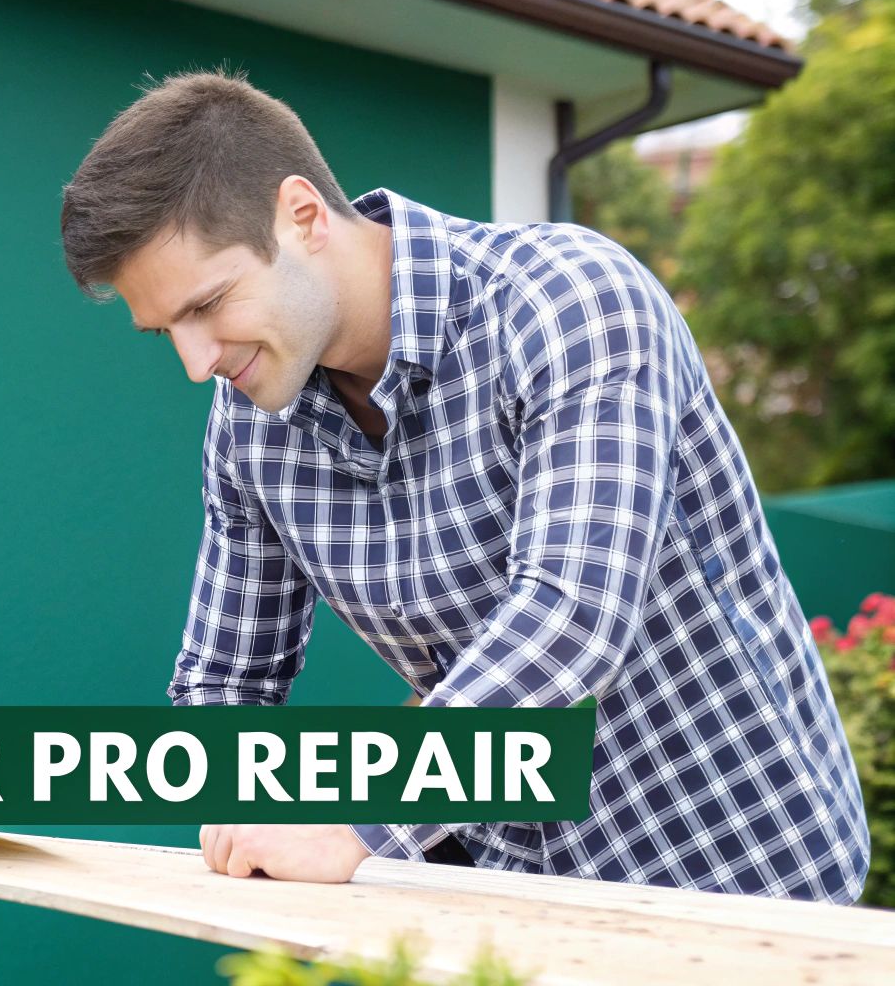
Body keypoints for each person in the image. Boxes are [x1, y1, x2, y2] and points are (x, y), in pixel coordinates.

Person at [58, 70, 869, 902]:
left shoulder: (569, 303)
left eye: (207, 305)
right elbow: (225, 680)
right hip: (512, 899)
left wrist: (352, 818)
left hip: (738, 874)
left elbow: (570, 620)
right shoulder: (249, 424)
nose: (196, 364)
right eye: (166, 331)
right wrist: (243, 802)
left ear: (301, 216)